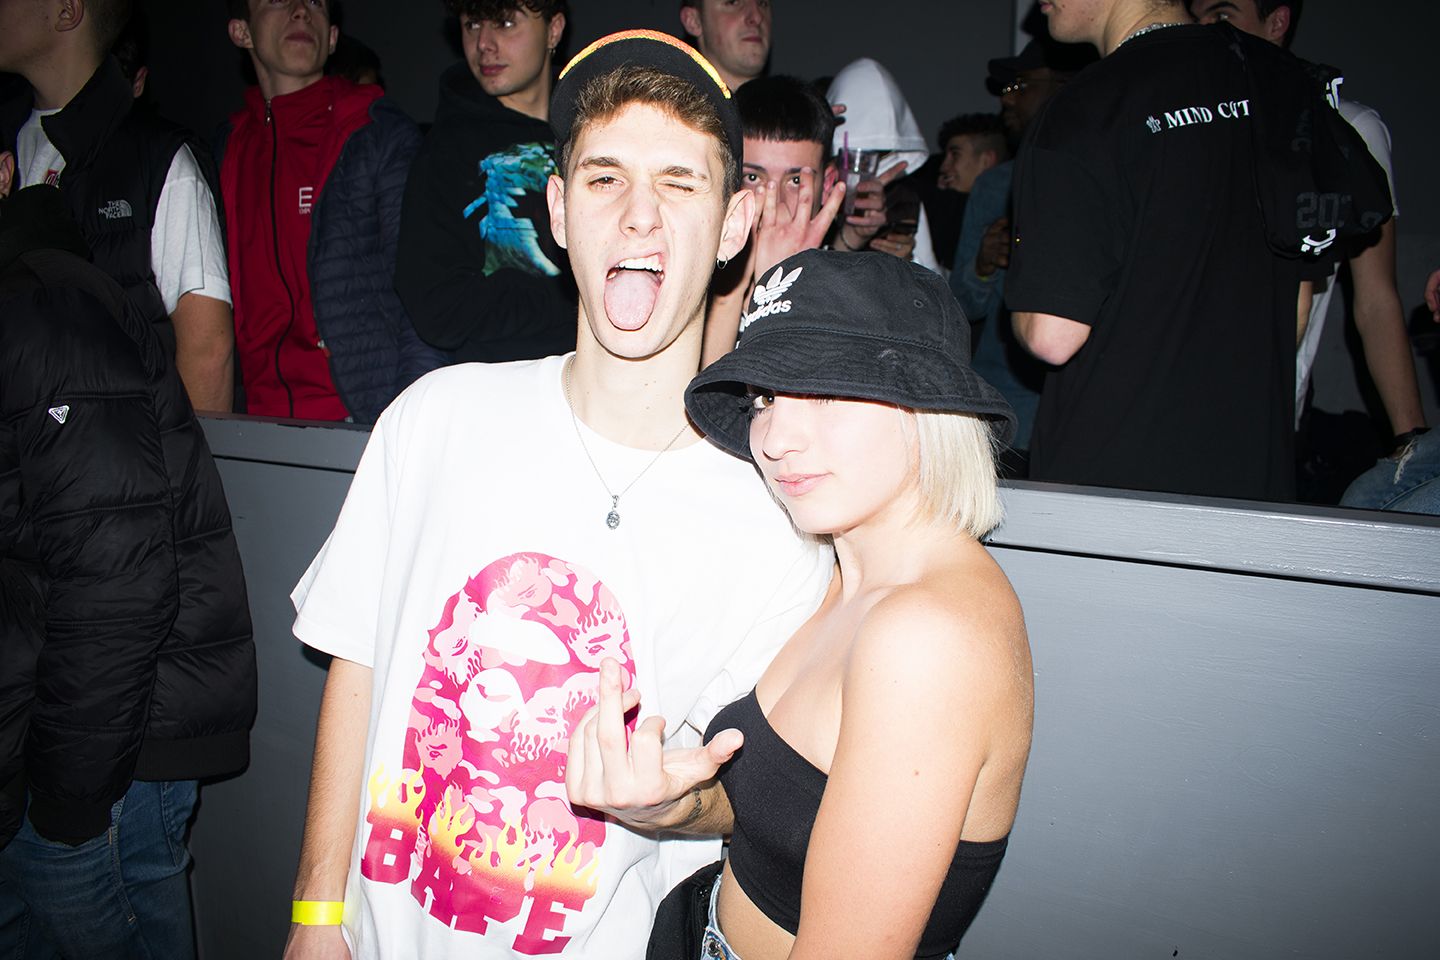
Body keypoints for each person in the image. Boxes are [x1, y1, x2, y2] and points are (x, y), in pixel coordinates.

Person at [281, 30, 831, 960]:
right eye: (606, 179)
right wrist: (316, 915)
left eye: (680, 184)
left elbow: (758, 800)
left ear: (735, 225)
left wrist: (675, 806)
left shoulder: (777, 526)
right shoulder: (435, 418)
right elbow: (359, 665)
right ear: (560, 210)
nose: (640, 217)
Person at [568, 248, 1033, 959]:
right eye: (766, 400)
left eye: (826, 393)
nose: (777, 439)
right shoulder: (849, 578)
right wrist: (673, 805)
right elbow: (780, 818)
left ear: (929, 407)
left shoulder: (928, 638)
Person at [0, 158, 256, 960]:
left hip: (93, 756)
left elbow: (118, 576)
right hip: (63, 741)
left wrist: (68, 799)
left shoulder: (44, 307)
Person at [1007, 0, 1340, 500]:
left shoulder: (1089, 104)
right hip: (1252, 468)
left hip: (1115, 483)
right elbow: (1298, 304)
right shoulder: (1280, 82)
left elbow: (1051, 335)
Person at [1188, 0, 1428, 464]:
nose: (1204, 31)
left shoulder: (1344, 128)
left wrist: (1411, 442)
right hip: (1162, 399)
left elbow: (1376, 300)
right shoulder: (1178, 122)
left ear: (1277, 22)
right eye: (1195, 18)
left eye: (1222, 15)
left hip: (1265, 415)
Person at [0, 0, 235, 412]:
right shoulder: (8, 142)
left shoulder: (158, 160)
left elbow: (208, 353)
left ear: (68, 11)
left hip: (121, 452)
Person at [221, 0, 444, 422]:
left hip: (358, 422)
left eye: (316, 3)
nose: (301, 11)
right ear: (241, 32)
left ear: (333, 38)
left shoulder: (377, 135)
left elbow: (423, 297)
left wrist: (406, 424)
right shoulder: (226, 149)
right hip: (250, 423)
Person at [394, 0, 577, 364]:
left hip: (607, 380)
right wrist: (574, 300)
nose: (484, 44)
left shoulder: (595, 132)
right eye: (472, 25)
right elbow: (436, 306)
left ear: (553, 30)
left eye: (506, 24)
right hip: (496, 384)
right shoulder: (446, 150)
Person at [949, 36, 1094, 467]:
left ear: (1063, 86)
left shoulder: (1104, 177)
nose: (1007, 99)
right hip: (1003, 413)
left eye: (1021, 86)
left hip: (1085, 414)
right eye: (1006, 89)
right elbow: (960, 305)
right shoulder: (995, 186)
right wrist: (982, 266)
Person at [702, 74, 845, 365]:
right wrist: (734, 290)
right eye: (753, 177)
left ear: (827, 183)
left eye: (795, 180)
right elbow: (708, 392)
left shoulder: (847, 298)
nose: (774, 201)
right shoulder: (695, 275)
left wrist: (777, 287)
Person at [825, 58, 937, 273]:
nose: (861, 169)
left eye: (878, 155)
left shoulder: (905, 201)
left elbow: (936, 285)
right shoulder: (805, 196)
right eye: (850, 157)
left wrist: (909, 266)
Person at [679, 0, 771, 92]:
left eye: (762, 3)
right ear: (694, 21)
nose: (757, 17)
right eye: (733, 2)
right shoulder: (674, 99)